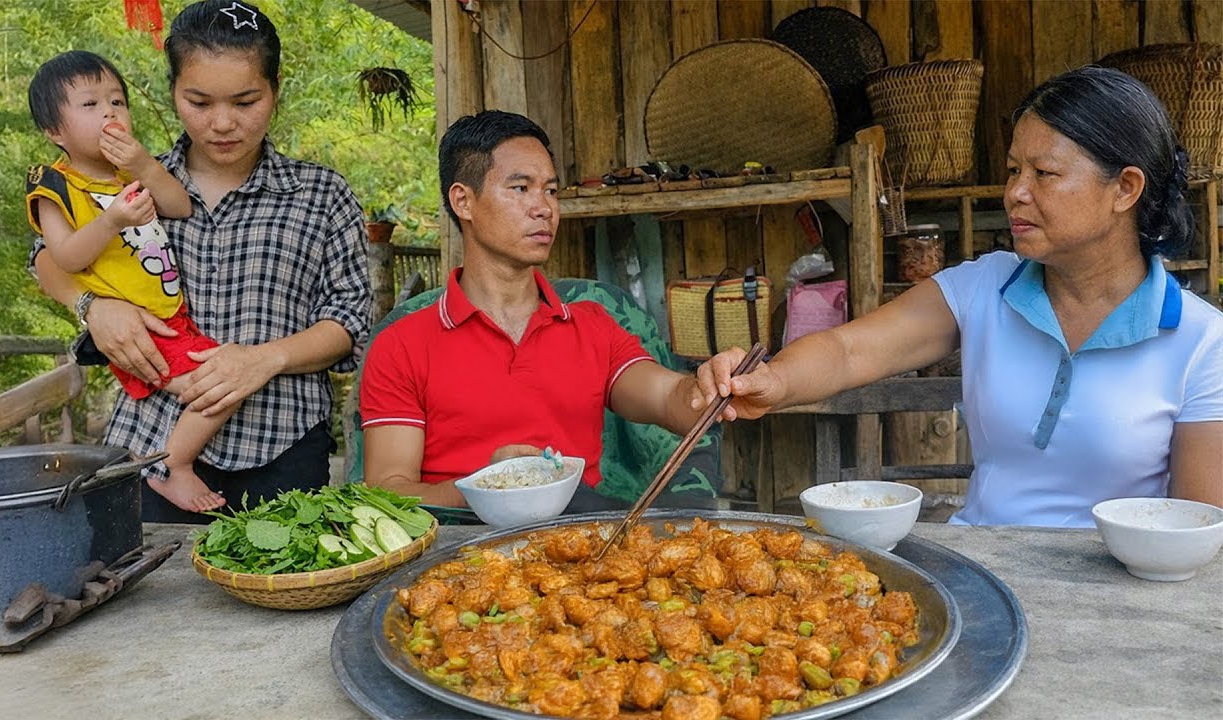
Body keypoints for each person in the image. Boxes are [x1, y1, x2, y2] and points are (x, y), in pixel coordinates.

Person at [694, 67, 1223, 527]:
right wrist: (773, 380)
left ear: (1125, 189)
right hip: (987, 569)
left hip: (1116, 597)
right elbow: (851, 350)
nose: (1016, 191)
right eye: (1015, 169)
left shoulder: (1200, 342)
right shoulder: (987, 287)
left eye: (1044, 173)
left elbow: (1196, 529)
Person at [30, 0, 371, 523]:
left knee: (286, 589)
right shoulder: (125, 184)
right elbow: (46, 259)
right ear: (172, 92)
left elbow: (349, 321)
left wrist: (264, 359)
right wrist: (92, 308)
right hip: (148, 444)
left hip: (282, 448)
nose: (222, 123)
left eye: (245, 100)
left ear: (275, 88)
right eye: (199, 101)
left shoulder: (321, 194)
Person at [359, 110, 707, 508]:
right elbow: (386, 492)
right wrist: (486, 487)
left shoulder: (592, 324)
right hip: (458, 550)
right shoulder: (402, 344)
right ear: (463, 201)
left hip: (578, 545)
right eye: (521, 188)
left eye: (551, 191)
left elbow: (669, 398)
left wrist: (713, 388)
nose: (544, 208)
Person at [26, 50, 232, 513]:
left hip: (168, 313)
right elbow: (64, 255)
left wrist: (144, 166)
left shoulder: (126, 173)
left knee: (225, 376)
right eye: (90, 105)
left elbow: (179, 206)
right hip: (134, 328)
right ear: (54, 131)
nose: (110, 113)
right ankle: (171, 467)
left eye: (117, 101)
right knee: (221, 386)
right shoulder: (55, 187)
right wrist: (113, 219)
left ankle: (166, 461)